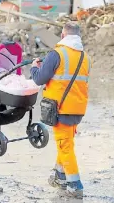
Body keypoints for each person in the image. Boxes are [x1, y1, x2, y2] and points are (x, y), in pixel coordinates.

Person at [30, 22, 91, 199]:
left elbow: (39, 79)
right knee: (66, 142)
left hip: (60, 108)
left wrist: (34, 67)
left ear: (63, 36)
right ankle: (59, 175)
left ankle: (75, 185)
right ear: (78, 37)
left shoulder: (56, 54)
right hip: (78, 108)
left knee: (65, 146)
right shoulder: (85, 57)